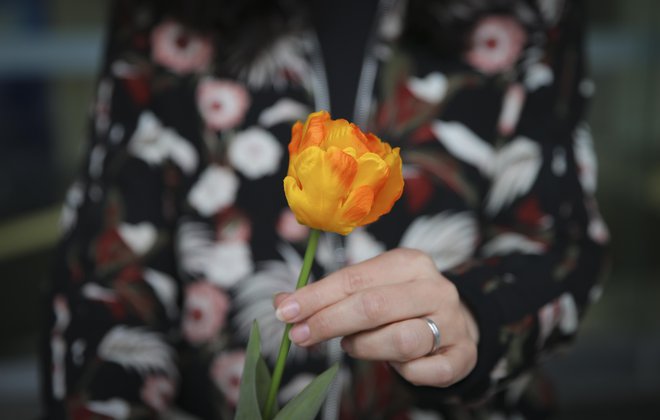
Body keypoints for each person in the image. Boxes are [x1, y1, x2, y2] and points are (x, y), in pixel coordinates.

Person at [41, 0, 609, 418]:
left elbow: (561, 244)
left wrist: (472, 316)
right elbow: (103, 277)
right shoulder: (161, 18)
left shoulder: (528, 15)